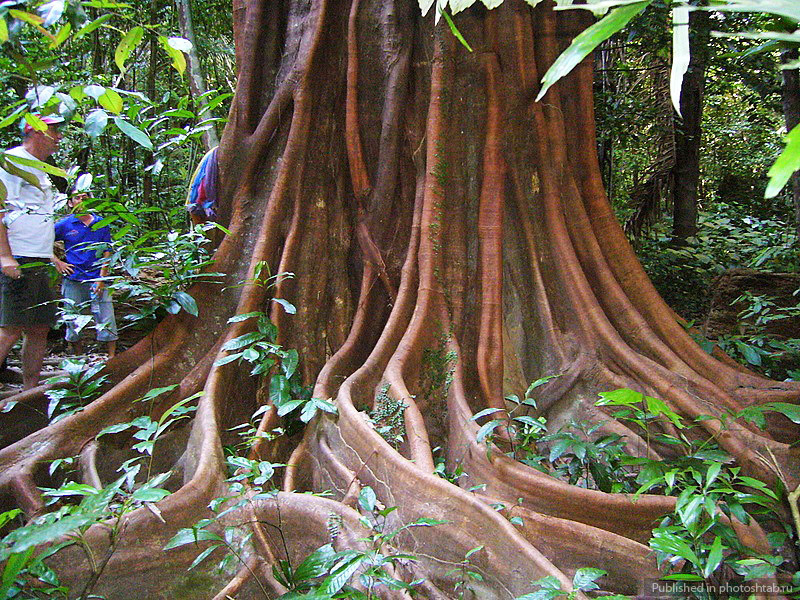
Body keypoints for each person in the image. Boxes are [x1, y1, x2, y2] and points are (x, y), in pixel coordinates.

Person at [0, 115, 73, 389]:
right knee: (10, 328)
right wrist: (5, 256)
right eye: (54, 131)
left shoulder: (40, 167)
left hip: (39, 258)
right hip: (19, 257)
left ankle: (30, 392)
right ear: (36, 132)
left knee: (39, 327)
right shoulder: (11, 161)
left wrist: (50, 256)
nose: (59, 137)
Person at [55, 189, 118, 358]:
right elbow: (43, 242)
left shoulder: (101, 223)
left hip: (97, 278)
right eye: (77, 198)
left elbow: (107, 251)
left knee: (106, 317)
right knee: (72, 318)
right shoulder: (65, 224)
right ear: (70, 202)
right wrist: (58, 262)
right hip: (74, 279)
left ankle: (111, 357)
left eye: (86, 197)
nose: (82, 200)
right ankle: (78, 356)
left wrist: (101, 278)